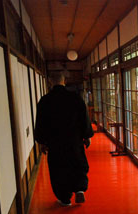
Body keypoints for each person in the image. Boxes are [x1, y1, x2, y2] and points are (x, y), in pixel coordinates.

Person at [34, 71, 94, 206]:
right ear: (64, 82)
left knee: (58, 169)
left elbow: (41, 123)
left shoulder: (44, 101)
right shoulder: (75, 98)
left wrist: (42, 142)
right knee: (77, 164)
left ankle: (64, 198)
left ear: (50, 82)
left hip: (55, 143)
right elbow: (84, 118)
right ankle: (79, 189)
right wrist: (87, 136)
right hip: (74, 141)